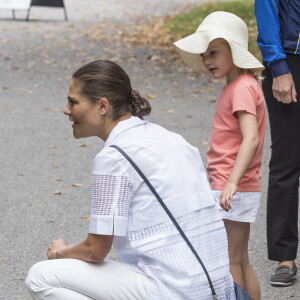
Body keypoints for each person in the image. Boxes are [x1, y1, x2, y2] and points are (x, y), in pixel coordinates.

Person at [25, 60, 235, 299]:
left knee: (40, 276)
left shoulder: (113, 157)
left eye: (73, 102)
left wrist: (59, 253)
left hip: (174, 289)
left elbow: (96, 250)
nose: (66, 109)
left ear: (102, 106)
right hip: (218, 288)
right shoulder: (173, 139)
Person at [174, 11, 266, 300]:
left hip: (232, 187)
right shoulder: (242, 86)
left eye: (213, 52)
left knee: (229, 262)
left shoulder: (241, 88)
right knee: (240, 259)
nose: (207, 60)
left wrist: (231, 183)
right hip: (236, 186)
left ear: (234, 50)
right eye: (204, 55)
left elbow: (250, 139)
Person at [255, 0, 299, 287]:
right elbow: (267, 9)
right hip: (291, 62)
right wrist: (279, 67)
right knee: (287, 160)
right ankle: (285, 257)